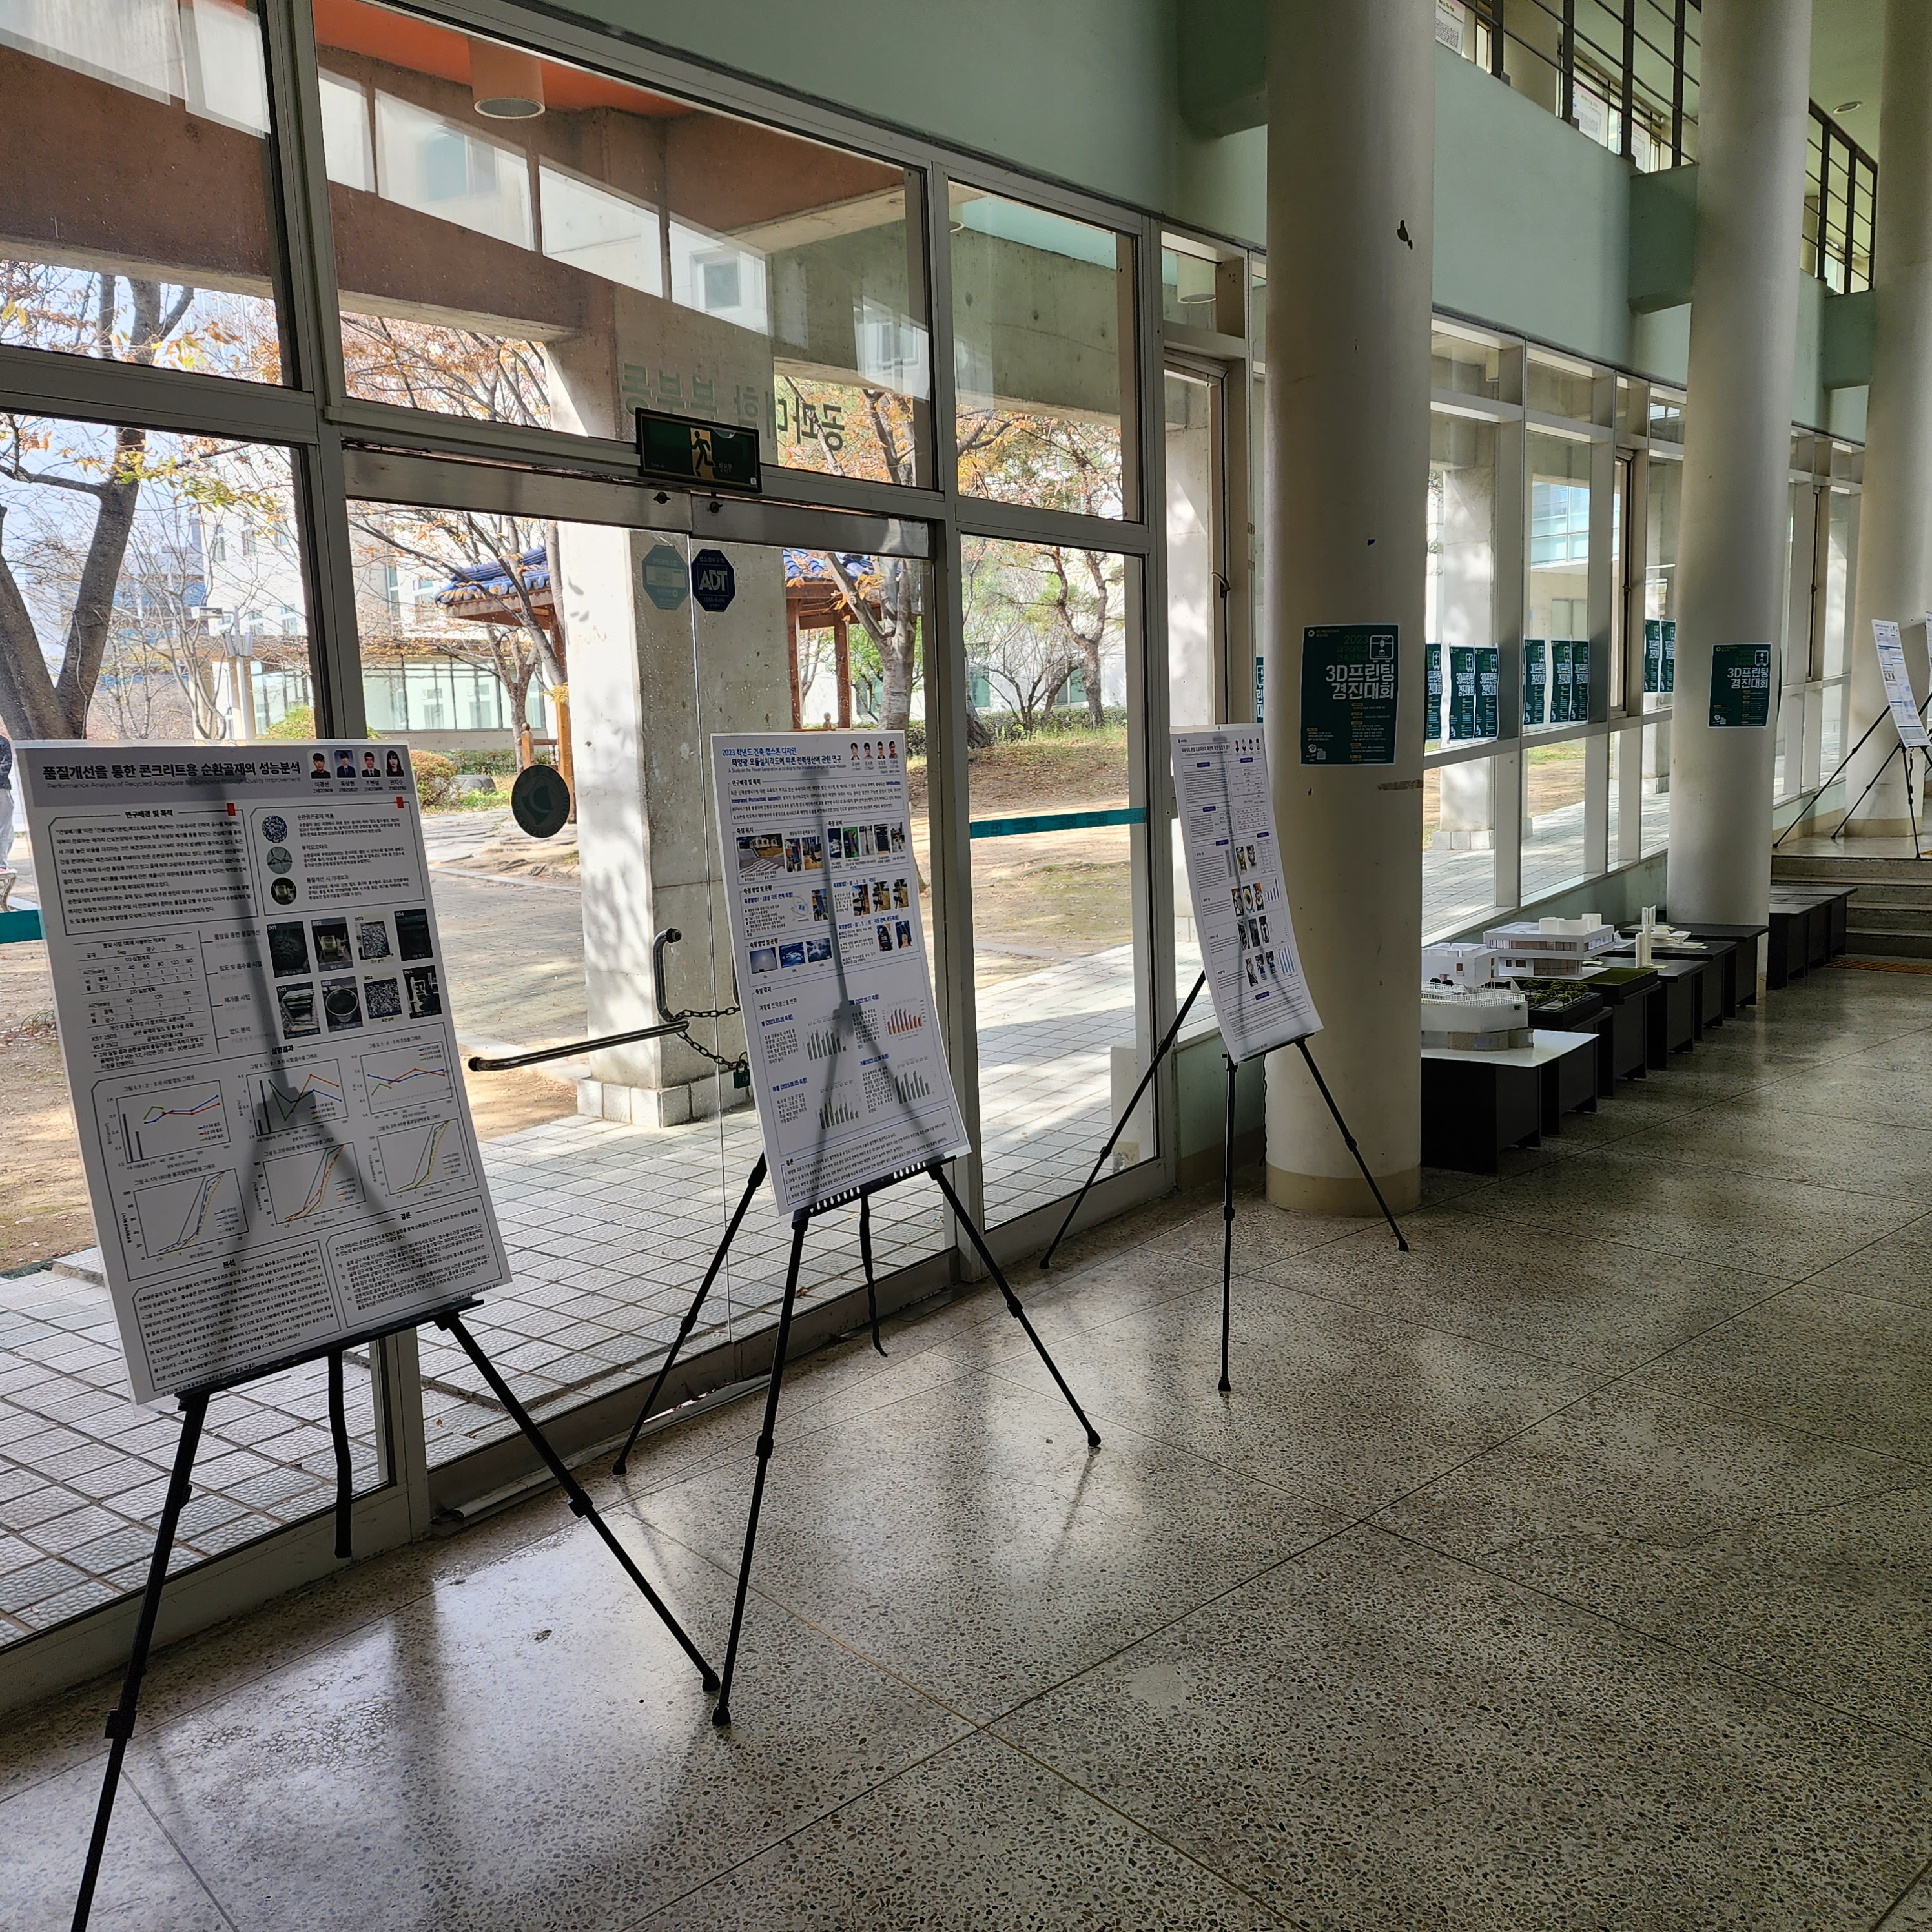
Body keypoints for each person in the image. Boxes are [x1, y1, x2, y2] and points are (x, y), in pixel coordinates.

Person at [0, 723, 14, 902]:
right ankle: (1, 865)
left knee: (6, 831)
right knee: (4, 829)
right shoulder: (2, 742)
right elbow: (5, 767)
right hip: (1, 789)